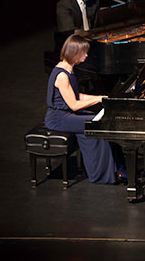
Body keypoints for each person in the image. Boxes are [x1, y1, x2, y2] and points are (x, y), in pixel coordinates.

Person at [45, 34, 121, 184]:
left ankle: (110, 169)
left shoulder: (69, 69)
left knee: (95, 120)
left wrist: (100, 98)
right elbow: (74, 104)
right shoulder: (62, 75)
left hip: (67, 114)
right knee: (97, 124)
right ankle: (104, 175)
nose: (86, 55)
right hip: (58, 118)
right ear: (75, 53)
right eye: (84, 52)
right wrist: (98, 100)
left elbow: (77, 95)